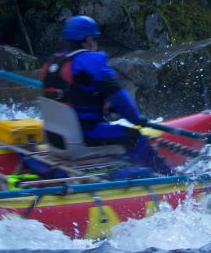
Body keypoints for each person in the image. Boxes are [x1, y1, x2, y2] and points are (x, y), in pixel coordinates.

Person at [39, 15, 174, 174]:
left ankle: (126, 168)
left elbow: (72, 95)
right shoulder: (91, 61)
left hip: (55, 139)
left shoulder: (52, 63)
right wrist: (138, 119)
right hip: (82, 138)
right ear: (89, 40)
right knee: (133, 136)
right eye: (95, 39)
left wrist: (101, 104)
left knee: (114, 131)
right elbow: (120, 97)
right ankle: (165, 175)